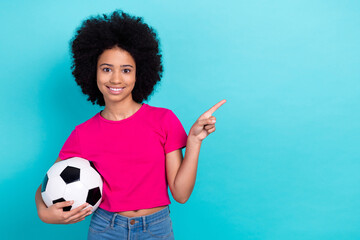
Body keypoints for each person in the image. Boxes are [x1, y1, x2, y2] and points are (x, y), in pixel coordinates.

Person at [35, 9, 226, 239]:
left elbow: (181, 194)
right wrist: (44, 214)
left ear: (140, 73)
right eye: (106, 69)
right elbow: (49, 183)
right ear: (92, 71)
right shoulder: (83, 134)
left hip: (156, 228)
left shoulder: (163, 120)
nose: (116, 79)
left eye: (126, 70)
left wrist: (194, 141)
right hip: (106, 228)